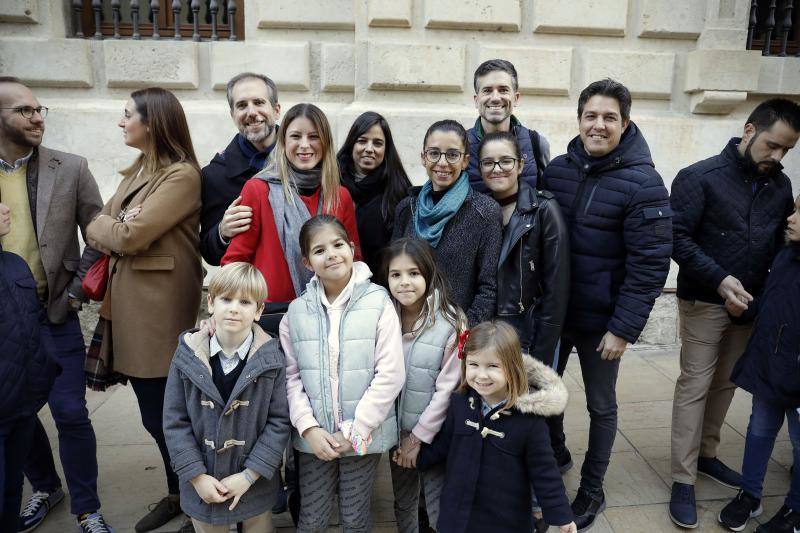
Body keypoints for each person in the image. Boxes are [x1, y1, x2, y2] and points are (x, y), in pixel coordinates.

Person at [541, 78, 673, 530]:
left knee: (601, 406)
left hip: (603, 324)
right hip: (555, 317)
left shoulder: (645, 183)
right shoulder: (557, 169)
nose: (598, 125)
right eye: (590, 116)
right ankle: (556, 451)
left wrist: (623, 329)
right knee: (546, 396)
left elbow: (650, 266)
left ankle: (592, 488)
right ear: (579, 120)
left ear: (625, 123)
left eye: (609, 118)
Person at [668, 98, 800, 529]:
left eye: (786, 151)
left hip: (751, 305)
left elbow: (782, 243)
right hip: (704, 300)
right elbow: (678, 240)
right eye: (772, 146)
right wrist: (721, 280)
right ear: (748, 131)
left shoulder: (779, 186)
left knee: (726, 383)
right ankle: (683, 479)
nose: (777, 158)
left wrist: (761, 297)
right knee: (695, 384)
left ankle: (707, 455)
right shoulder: (697, 177)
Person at [86, 87, 204, 533]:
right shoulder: (140, 170)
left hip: (159, 313)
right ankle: (180, 493)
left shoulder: (181, 176)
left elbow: (126, 236)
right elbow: (105, 221)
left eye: (127, 114)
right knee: (153, 416)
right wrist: (108, 225)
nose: (121, 122)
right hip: (128, 309)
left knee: (169, 418)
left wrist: (108, 226)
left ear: (152, 121)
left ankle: (197, 503)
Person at [0, 77, 110, 533]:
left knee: (69, 412)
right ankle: (46, 487)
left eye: (40, 108)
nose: (38, 116)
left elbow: (99, 235)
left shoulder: (72, 167)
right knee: (14, 413)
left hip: (55, 313)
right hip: (5, 320)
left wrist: (76, 291)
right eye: (24, 110)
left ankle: (88, 508)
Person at [279, 215, 405, 532]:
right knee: (313, 518)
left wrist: (356, 428)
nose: (332, 254)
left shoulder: (378, 301)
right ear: (307, 262)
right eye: (320, 250)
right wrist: (308, 429)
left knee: (354, 516)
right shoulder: (296, 312)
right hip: (315, 439)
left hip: (362, 435)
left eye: (338, 245)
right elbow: (291, 379)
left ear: (351, 249)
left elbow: (390, 373)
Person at [163, 262, 290, 533]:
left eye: (245, 302)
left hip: (253, 482)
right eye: (226, 299)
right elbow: (175, 422)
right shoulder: (187, 356)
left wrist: (249, 475)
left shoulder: (273, 359)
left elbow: (279, 422)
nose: (234, 308)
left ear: (259, 311)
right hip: (202, 481)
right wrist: (196, 477)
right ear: (210, 303)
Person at [416, 320, 576, 533]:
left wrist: (562, 516)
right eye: (474, 365)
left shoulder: (529, 421)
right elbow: (445, 443)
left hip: (506, 520)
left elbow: (544, 471)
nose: (481, 375)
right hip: (458, 515)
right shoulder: (460, 403)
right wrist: (416, 458)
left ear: (512, 367)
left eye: (492, 366)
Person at [221, 103, 361, 335]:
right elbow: (235, 262)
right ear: (283, 142)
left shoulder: (340, 196)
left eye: (314, 137)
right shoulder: (257, 190)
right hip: (269, 319)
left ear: (325, 143)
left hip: (327, 320)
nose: (304, 145)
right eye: (295, 136)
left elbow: (353, 260)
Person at [717, 193, 800, 533]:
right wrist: (743, 311)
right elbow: (769, 304)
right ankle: (750, 494)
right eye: (794, 210)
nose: (791, 219)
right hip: (770, 365)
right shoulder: (786, 256)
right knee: (759, 430)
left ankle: (795, 510)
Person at [382, 238, 466, 533]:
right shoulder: (381, 317)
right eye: (396, 274)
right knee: (404, 499)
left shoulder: (451, 323)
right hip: (394, 431)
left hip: (434, 433)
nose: (405, 282)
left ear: (429, 274)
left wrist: (417, 438)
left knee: (437, 500)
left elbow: (448, 390)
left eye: (414, 273)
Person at [393, 119, 502, 326]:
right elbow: (391, 273)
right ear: (423, 158)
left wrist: (464, 333)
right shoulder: (406, 209)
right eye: (434, 153)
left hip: (455, 335)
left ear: (465, 161)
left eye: (452, 155)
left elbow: (489, 288)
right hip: (405, 330)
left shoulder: (484, 212)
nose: (442, 163)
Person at [478, 130, 569, 364]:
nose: (497, 168)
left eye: (506, 161)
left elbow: (556, 290)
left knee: (527, 400)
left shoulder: (544, 209)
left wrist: (543, 351)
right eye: (488, 162)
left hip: (528, 335)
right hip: (486, 333)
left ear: (520, 165)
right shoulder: (476, 210)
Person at [0, 203, 58, 532]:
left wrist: (45, 367)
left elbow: (35, 323)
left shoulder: (15, 265)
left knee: (11, 494)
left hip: (22, 408)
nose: (5, 208)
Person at [199, 72, 281, 266]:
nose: (251, 112)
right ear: (233, 115)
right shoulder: (215, 175)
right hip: (249, 291)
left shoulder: (304, 159)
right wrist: (222, 232)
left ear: (276, 110)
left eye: (259, 102)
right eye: (242, 105)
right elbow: (210, 254)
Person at [337, 111, 412, 273]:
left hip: (381, 285)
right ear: (352, 144)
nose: (369, 149)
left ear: (386, 149)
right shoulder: (331, 183)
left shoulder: (399, 191)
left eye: (377, 143)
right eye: (362, 141)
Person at [466, 59, 550, 193]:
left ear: (516, 98)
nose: (495, 97)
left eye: (503, 90)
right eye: (487, 90)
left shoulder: (536, 143)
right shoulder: (460, 146)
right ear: (476, 100)